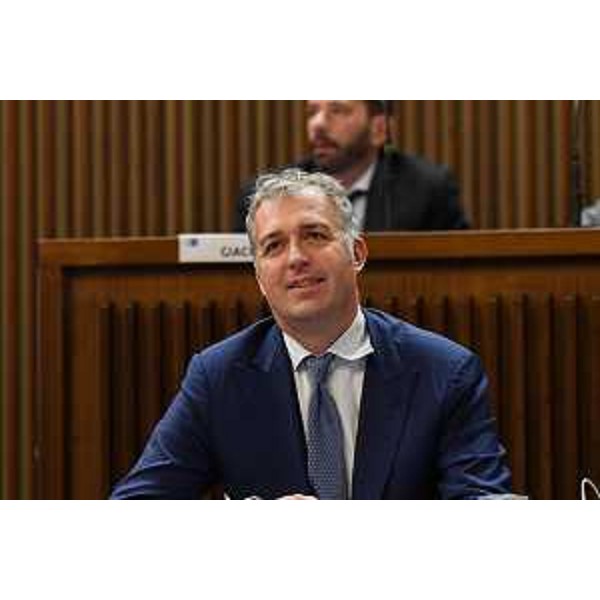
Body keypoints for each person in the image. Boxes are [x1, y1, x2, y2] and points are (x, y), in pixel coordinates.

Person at [111, 168, 510, 499]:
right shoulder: (218, 377)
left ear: (357, 253)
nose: (296, 258)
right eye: (273, 246)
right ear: (259, 277)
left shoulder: (445, 371)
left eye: (315, 236)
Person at [233, 100, 469, 232]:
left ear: (379, 129)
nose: (318, 124)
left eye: (337, 111)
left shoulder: (428, 191)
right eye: (312, 112)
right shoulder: (268, 197)